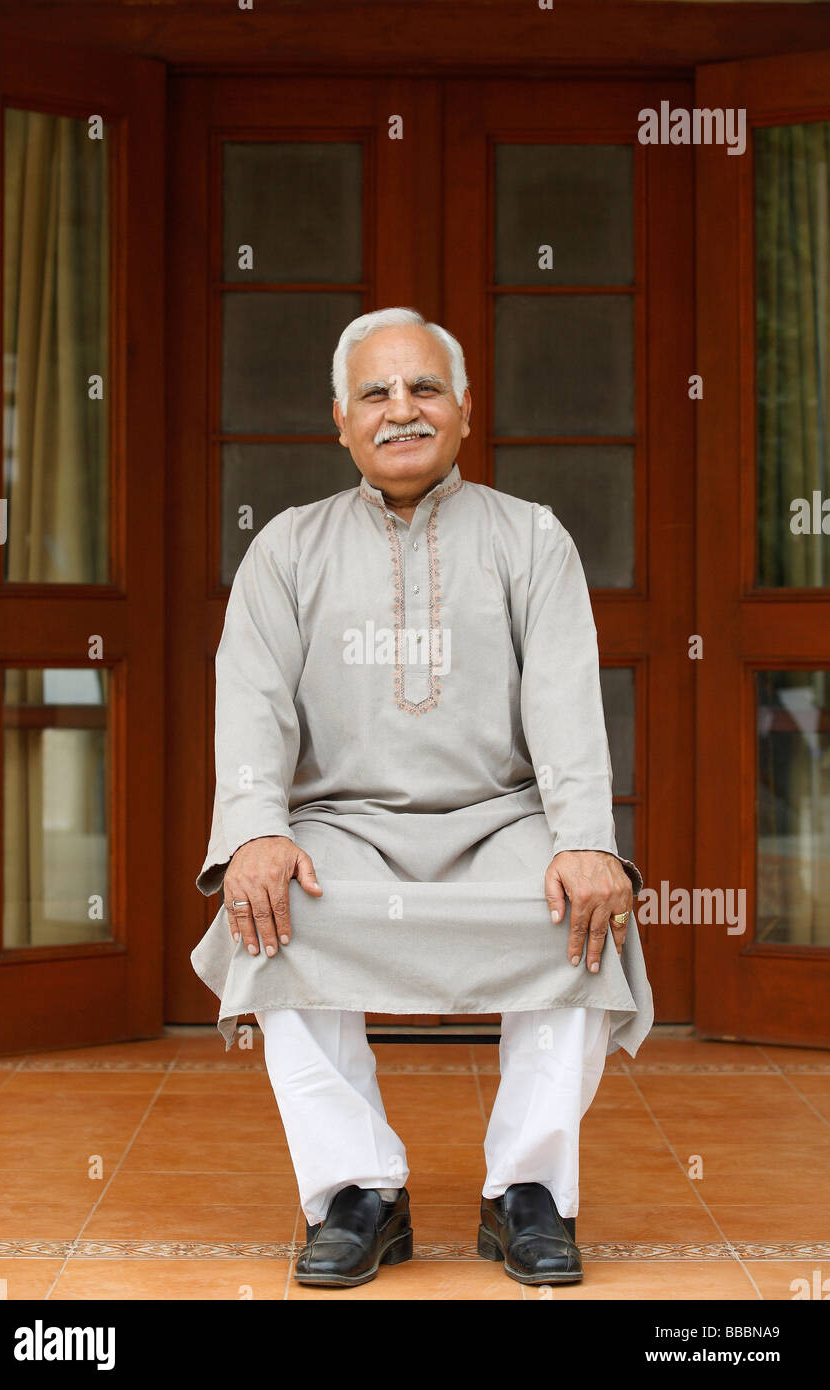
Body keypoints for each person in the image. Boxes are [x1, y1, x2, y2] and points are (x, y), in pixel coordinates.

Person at [191, 306, 653, 1288]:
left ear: (464, 410)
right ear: (341, 421)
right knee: (268, 911)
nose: (401, 409)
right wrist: (256, 832)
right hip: (340, 824)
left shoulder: (528, 537)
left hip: (499, 819)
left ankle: (525, 1191)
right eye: (375, 392)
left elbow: (565, 699)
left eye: (423, 388)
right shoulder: (287, 546)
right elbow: (251, 702)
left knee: (581, 907)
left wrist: (581, 838)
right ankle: (358, 1192)